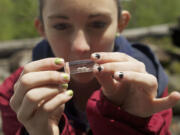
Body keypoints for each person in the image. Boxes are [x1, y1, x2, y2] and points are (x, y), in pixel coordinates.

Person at [0, 0, 180, 135]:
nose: (80, 47)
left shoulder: (147, 82)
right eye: (61, 26)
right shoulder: (17, 92)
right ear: (42, 29)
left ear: (121, 23)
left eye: (98, 24)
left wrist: (134, 122)